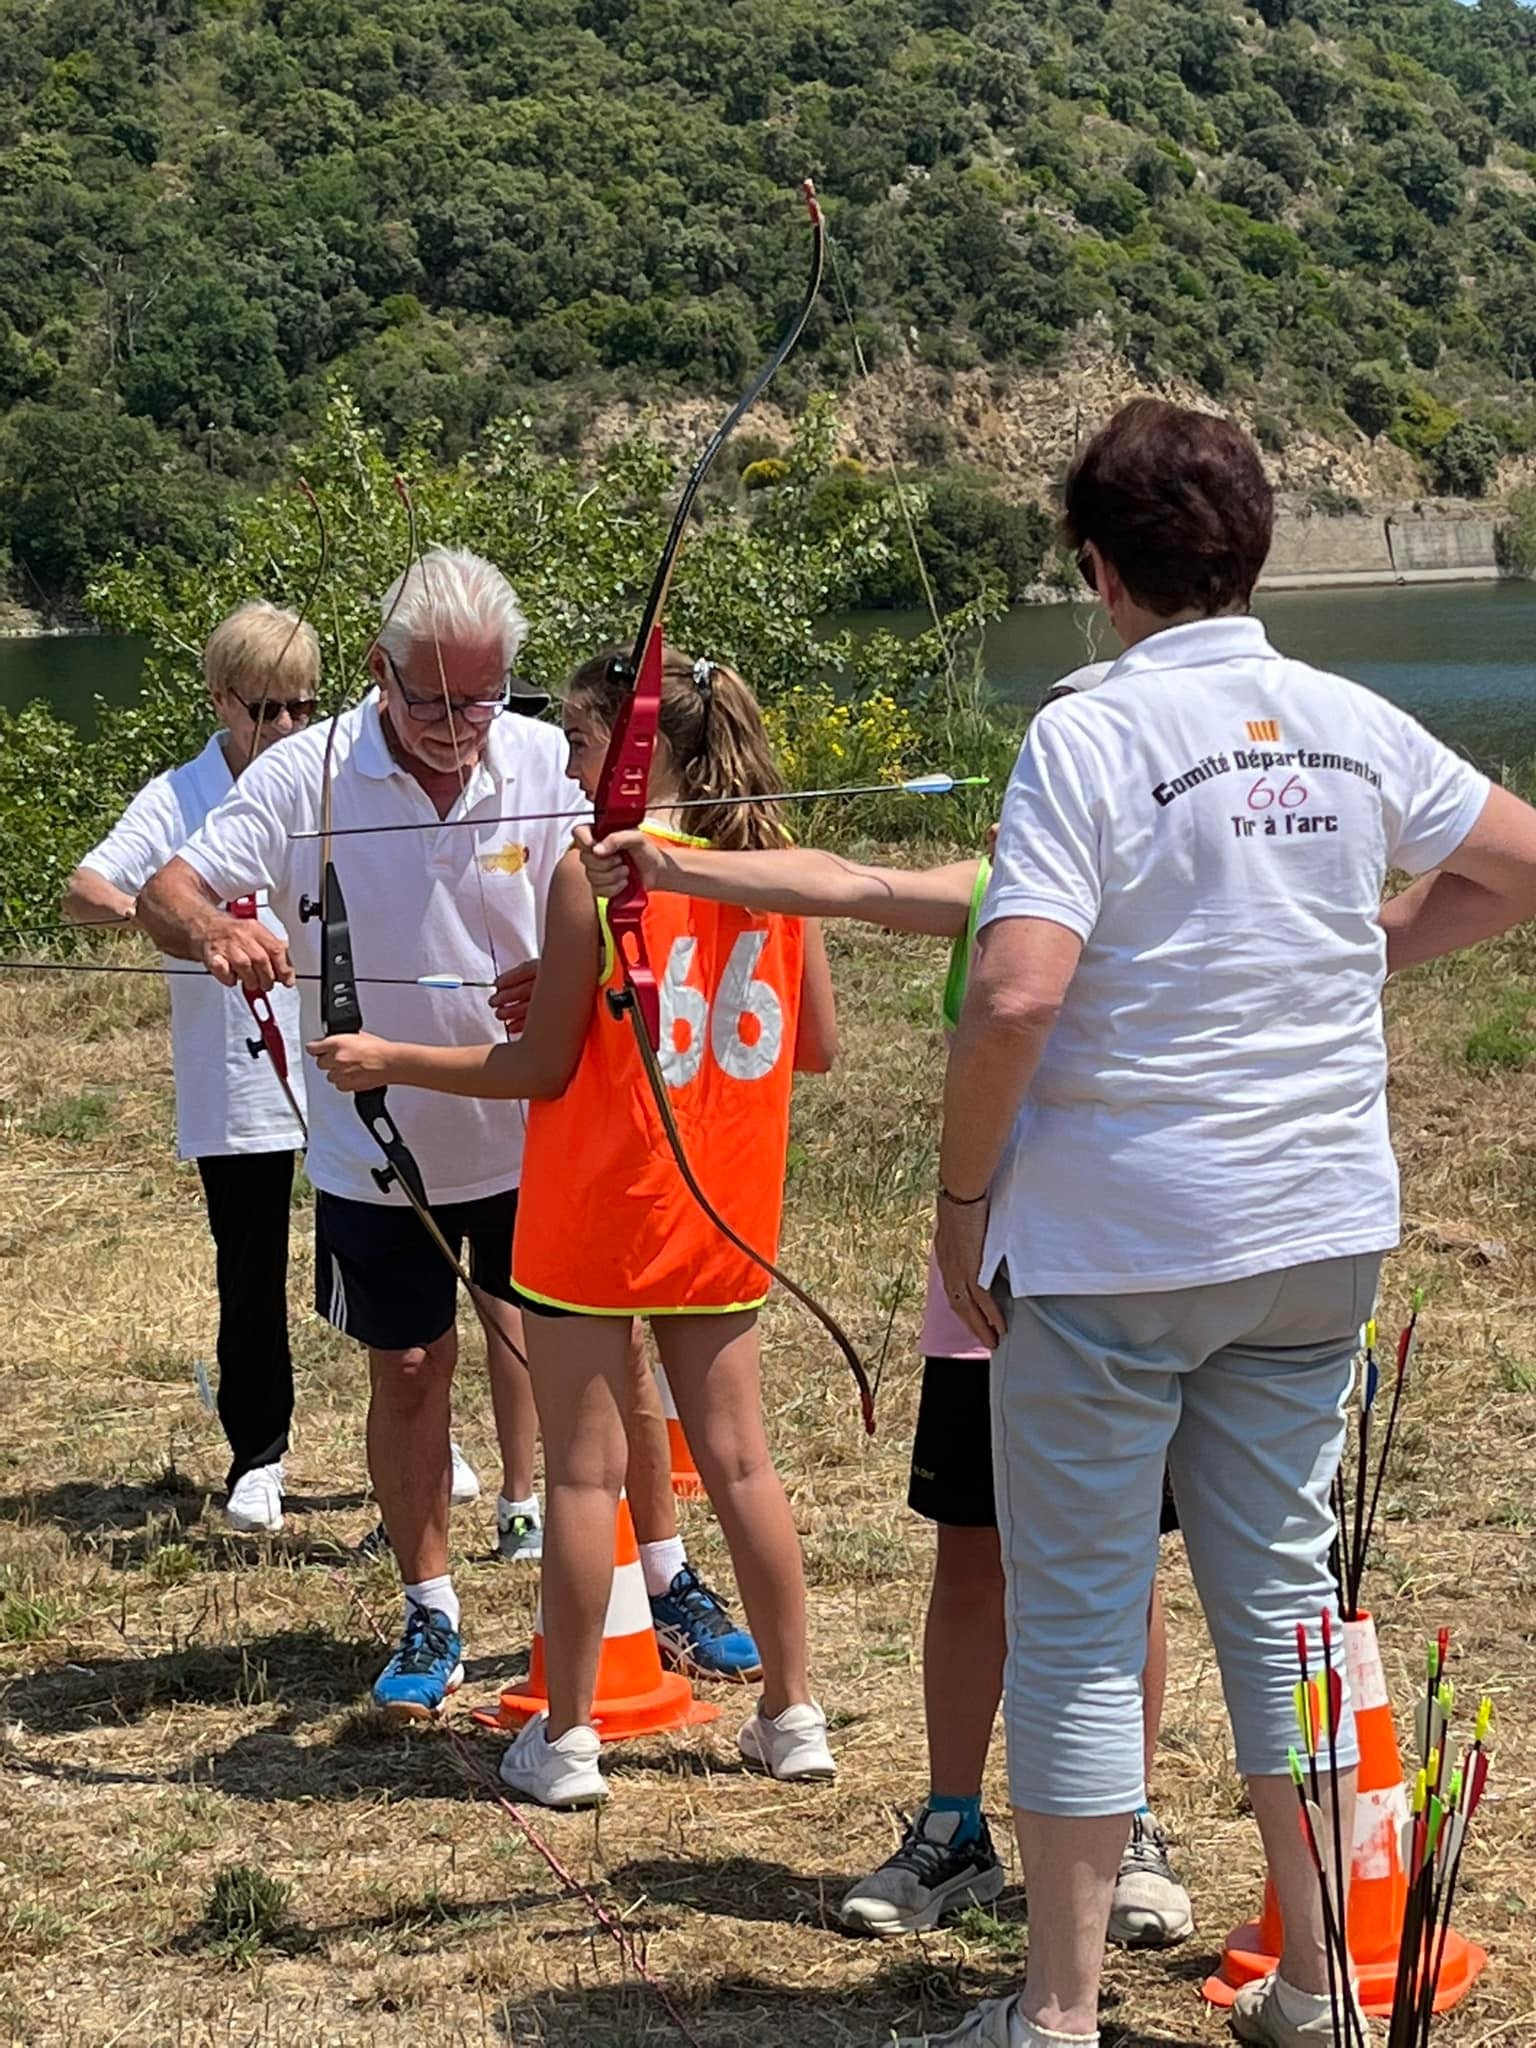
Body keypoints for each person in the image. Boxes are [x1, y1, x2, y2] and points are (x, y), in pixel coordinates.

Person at [921, 397, 1536, 2048]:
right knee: (1291, 1601)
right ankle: (1332, 1982)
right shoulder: (1343, 718)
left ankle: (1055, 2009)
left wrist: (959, 1198)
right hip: (1315, 1234)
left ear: (1098, 568)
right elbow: (1517, 863)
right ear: (1250, 548)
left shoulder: (1090, 729)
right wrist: (1351, 952)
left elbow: (1017, 982)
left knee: (1073, 1605)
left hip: (1116, 1242)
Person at [574, 664, 1190, 1949]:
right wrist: (672, 866)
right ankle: (956, 1824)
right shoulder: (993, 891)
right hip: (987, 1295)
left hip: (1126, 1286)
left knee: (1119, 1564)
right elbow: (842, 884)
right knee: (973, 1554)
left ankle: (1128, 1823)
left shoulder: (1171, 902)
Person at [312, 647, 836, 1805]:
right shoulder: (773, 866)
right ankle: (794, 1711)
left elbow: (541, 1068)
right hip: (722, 1207)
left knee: (585, 1476)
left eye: (591, 745)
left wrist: (388, 1057)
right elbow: (813, 1043)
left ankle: (572, 1734)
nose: (575, 763)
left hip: (601, 1211)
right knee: (743, 1460)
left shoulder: (589, 873)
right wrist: (586, 981)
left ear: (641, 751)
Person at [137, 548, 560, 1717]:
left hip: (529, 1124)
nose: (457, 727)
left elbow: (601, 900)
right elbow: (167, 889)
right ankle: (431, 1605)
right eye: (429, 700)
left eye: (481, 697)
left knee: (578, 1361)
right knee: (412, 1367)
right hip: (378, 1143)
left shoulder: (535, 757)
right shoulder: (305, 778)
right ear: (378, 672)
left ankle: (623, 1586)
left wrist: (560, 965)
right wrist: (216, 933)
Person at [64, 602, 319, 1534]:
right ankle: (259, 1454)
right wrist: (183, 922)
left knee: (367, 1253)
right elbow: (85, 892)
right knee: (248, 1265)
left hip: (335, 1053)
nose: (288, 728)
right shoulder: (179, 796)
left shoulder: (334, 778)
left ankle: (418, 1436)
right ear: (221, 700)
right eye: (266, 710)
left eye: (303, 707)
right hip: (237, 1070)